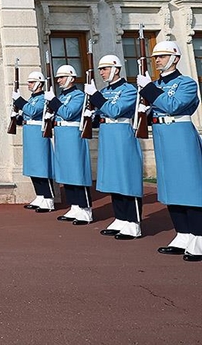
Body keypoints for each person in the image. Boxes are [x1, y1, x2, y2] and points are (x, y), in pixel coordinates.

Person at [138, 41, 202, 262]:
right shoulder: (155, 84)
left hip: (180, 133)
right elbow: (156, 106)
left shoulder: (186, 82)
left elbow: (174, 105)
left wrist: (149, 90)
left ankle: (199, 237)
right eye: (156, 57)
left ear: (175, 58)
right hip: (162, 134)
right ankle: (182, 233)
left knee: (190, 186)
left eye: (163, 56)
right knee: (171, 186)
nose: (157, 60)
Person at [84, 55, 143, 240]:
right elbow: (101, 112)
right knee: (113, 178)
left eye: (105, 68)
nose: (101, 72)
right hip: (107, 134)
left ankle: (133, 222)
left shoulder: (129, 90)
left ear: (116, 69)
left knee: (127, 177)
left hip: (122, 133)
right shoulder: (105, 91)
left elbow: (115, 110)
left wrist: (95, 97)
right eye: (100, 69)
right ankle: (121, 218)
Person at [46, 65, 94, 225]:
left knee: (77, 172)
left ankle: (85, 209)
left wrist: (52, 101)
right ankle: (74, 206)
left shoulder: (78, 95)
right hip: (61, 135)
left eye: (62, 77)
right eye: (58, 77)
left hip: (73, 136)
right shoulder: (61, 96)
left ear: (71, 78)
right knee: (66, 173)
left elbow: (68, 113)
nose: (58, 80)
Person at [13, 71, 55, 212]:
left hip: (38, 133)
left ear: (39, 83)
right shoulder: (31, 98)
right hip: (29, 132)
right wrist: (16, 117)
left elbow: (32, 111)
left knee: (41, 166)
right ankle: (40, 195)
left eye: (31, 82)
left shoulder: (43, 98)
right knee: (32, 166)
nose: (29, 84)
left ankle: (48, 198)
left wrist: (19, 101)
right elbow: (27, 114)